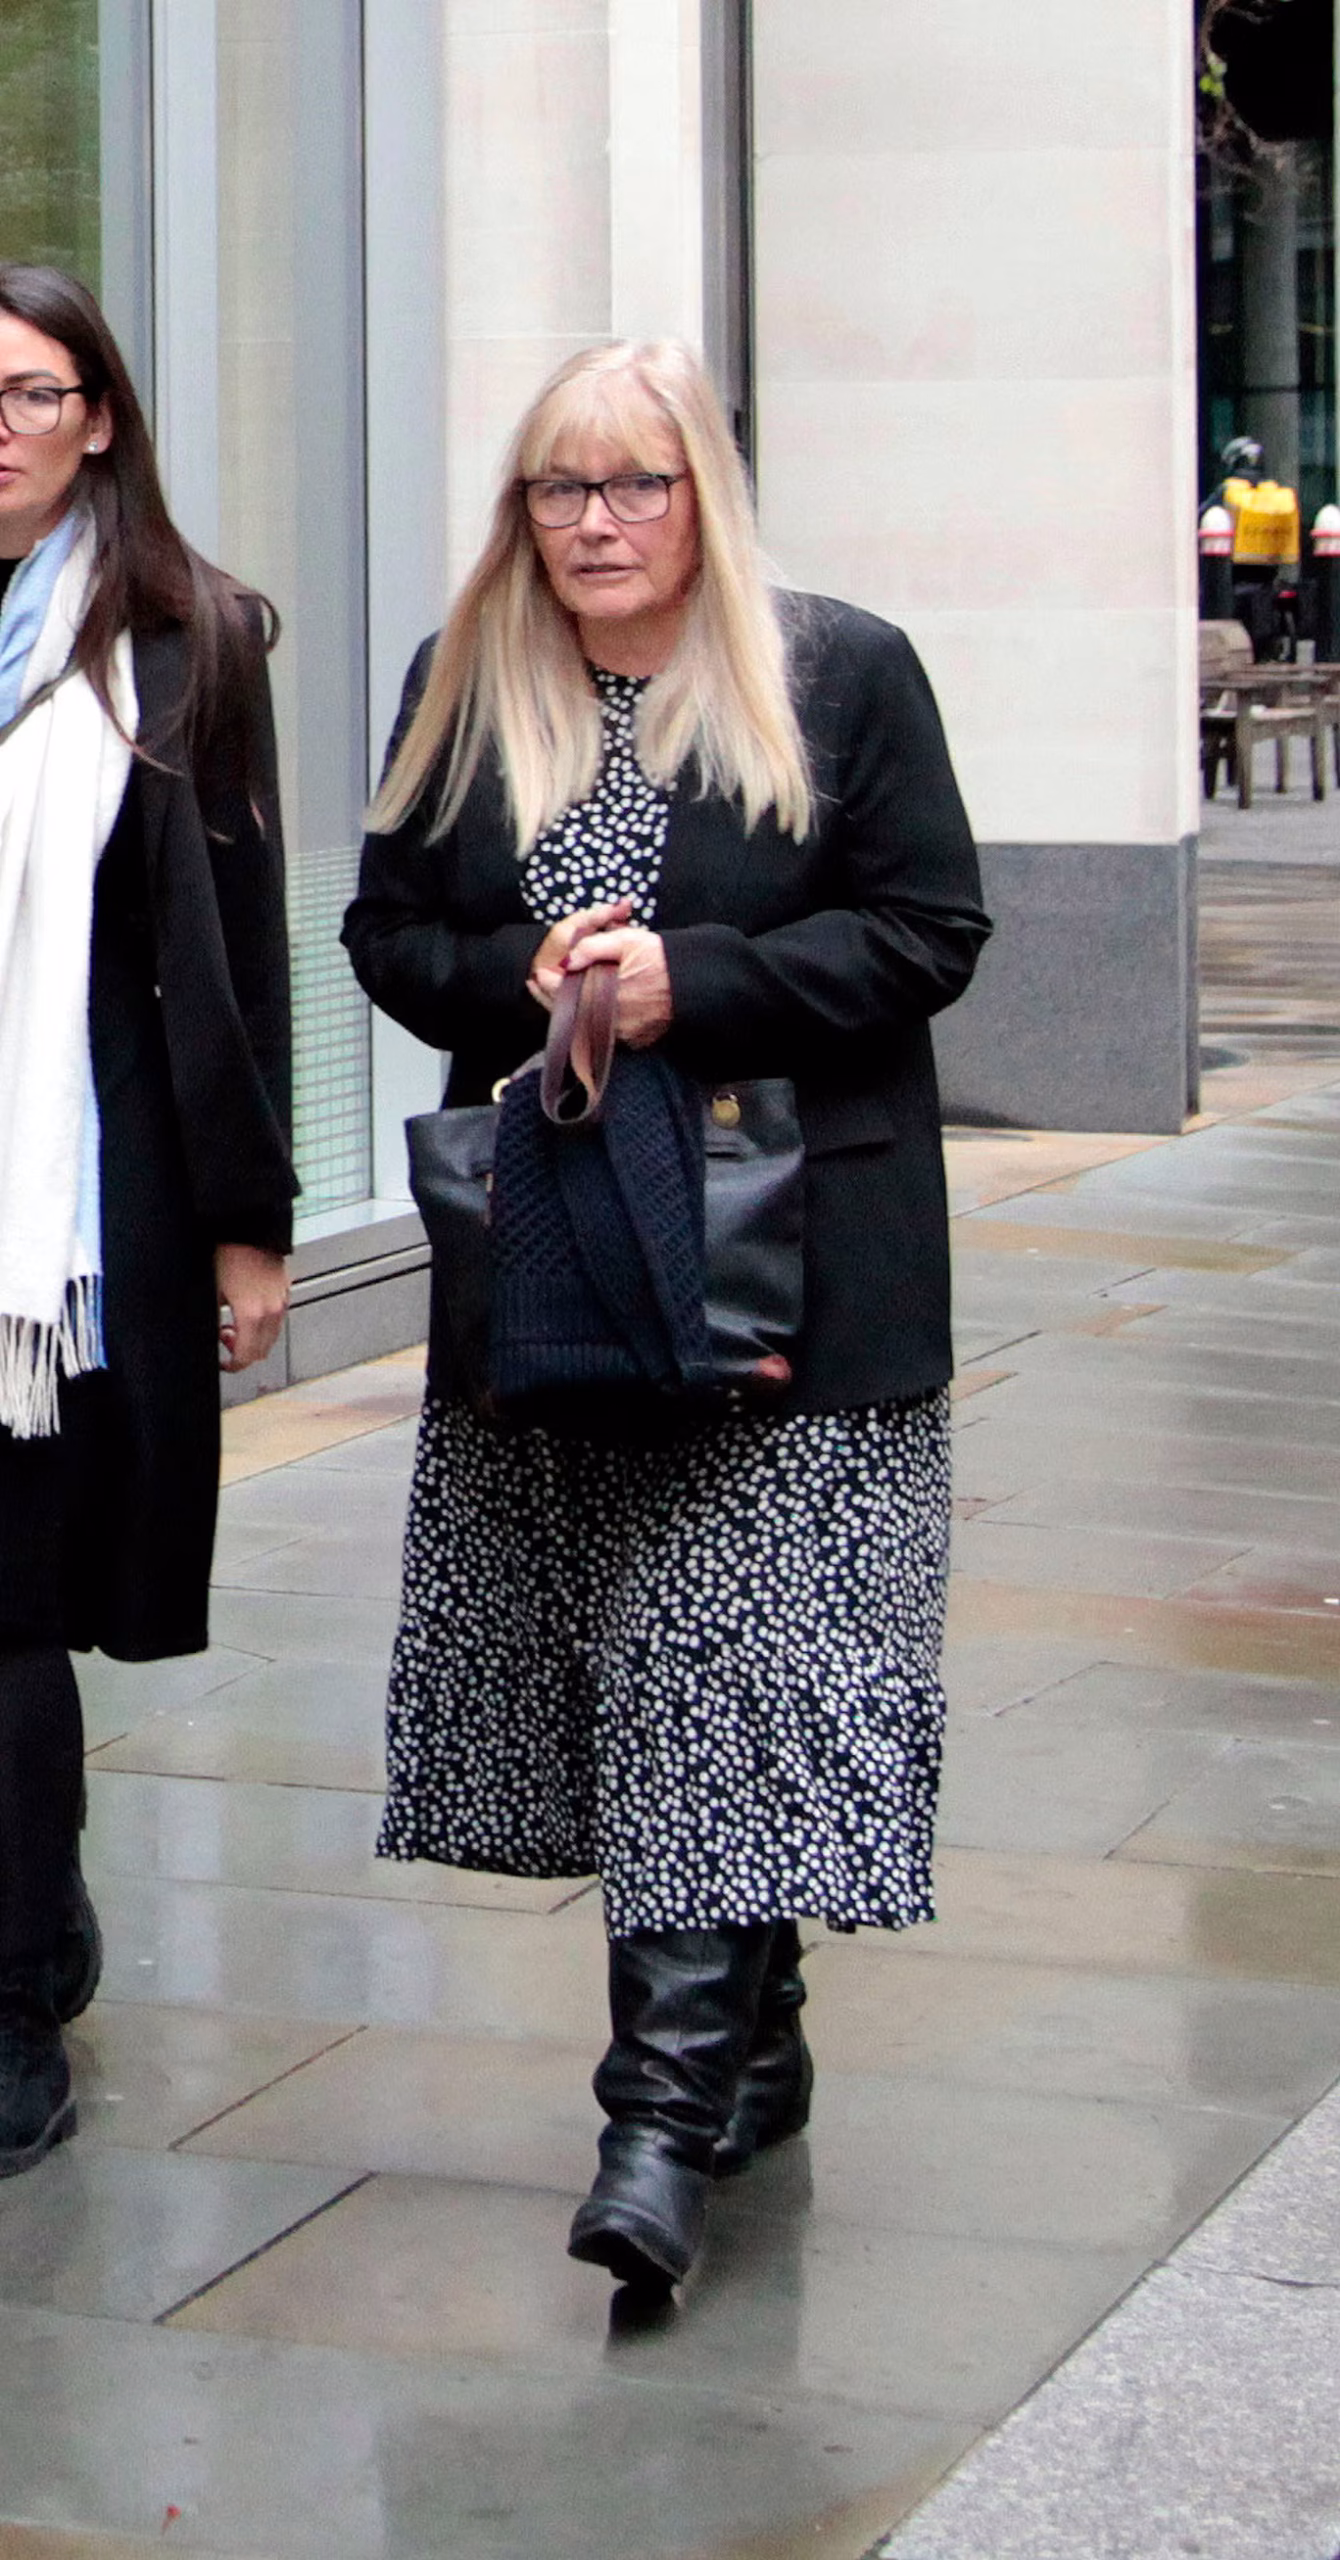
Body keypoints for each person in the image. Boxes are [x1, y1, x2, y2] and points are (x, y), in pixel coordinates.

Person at [342, 338, 990, 2295]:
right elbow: (390, 933)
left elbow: (926, 930)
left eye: (637, 484)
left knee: (709, 1668)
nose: (599, 523)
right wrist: (519, 972)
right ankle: (753, 2023)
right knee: (659, 1679)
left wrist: (679, 981)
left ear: (703, 491)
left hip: (794, 1273)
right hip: (563, 1266)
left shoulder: (837, 673)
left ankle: (654, 2124)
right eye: (561, 489)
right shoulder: (467, 691)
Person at [0, 265, 296, 2176]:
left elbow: (236, 946)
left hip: (62, 1219)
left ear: (96, 415)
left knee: (13, 1607)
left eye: (26, 394)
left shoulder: (186, 640)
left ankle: (17, 1994)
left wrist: (249, 1228)